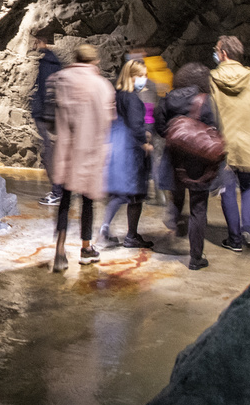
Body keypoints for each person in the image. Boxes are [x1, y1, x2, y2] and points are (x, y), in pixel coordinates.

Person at [43, 42, 115, 272]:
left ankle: (60, 252)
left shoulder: (60, 79)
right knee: (87, 202)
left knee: (64, 201)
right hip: (90, 151)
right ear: (95, 61)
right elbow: (107, 120)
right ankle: (86, 248)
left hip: (66, 149)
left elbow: (51, 112)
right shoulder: (101, 85)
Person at [210, 35, 250, 252]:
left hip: (223, 146)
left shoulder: (212, 79)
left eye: (217, 50)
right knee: (249, 186)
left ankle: (235, 239)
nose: (216, 53)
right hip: (249, 144)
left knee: (227, 190)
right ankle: (249, 229)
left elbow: (209, 114)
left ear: (224, 53)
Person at [155, 62, 220, 270]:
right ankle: (195, 258)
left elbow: (160, 128)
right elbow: (214, 130)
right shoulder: (206, 101)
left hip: (174, 159)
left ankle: (176, 226)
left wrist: (177, 137)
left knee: (177, 196)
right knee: (198, 209)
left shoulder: (166, 100)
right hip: (199, 164)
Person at [98, 59, 155, 249]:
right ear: (131, 77)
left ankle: (106, 227)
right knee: (135, 195)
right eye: (141, 76)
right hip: (132, 151)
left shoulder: (119, 94)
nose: (144, 79)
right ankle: (131, 235)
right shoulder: (131, 98)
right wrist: (145, 142)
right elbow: (136, 125)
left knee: (121, 193)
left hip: (119, 148)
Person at [29, 31, 64, 206]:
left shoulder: (49, 62)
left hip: (47, 117)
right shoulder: (51, 60)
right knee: (52, 155)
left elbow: (46, 91)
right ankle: (59, 190)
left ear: (40, 41)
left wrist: (42, 114)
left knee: (51, 156)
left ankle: (58, 192)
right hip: (48, 115)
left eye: (35, 41)